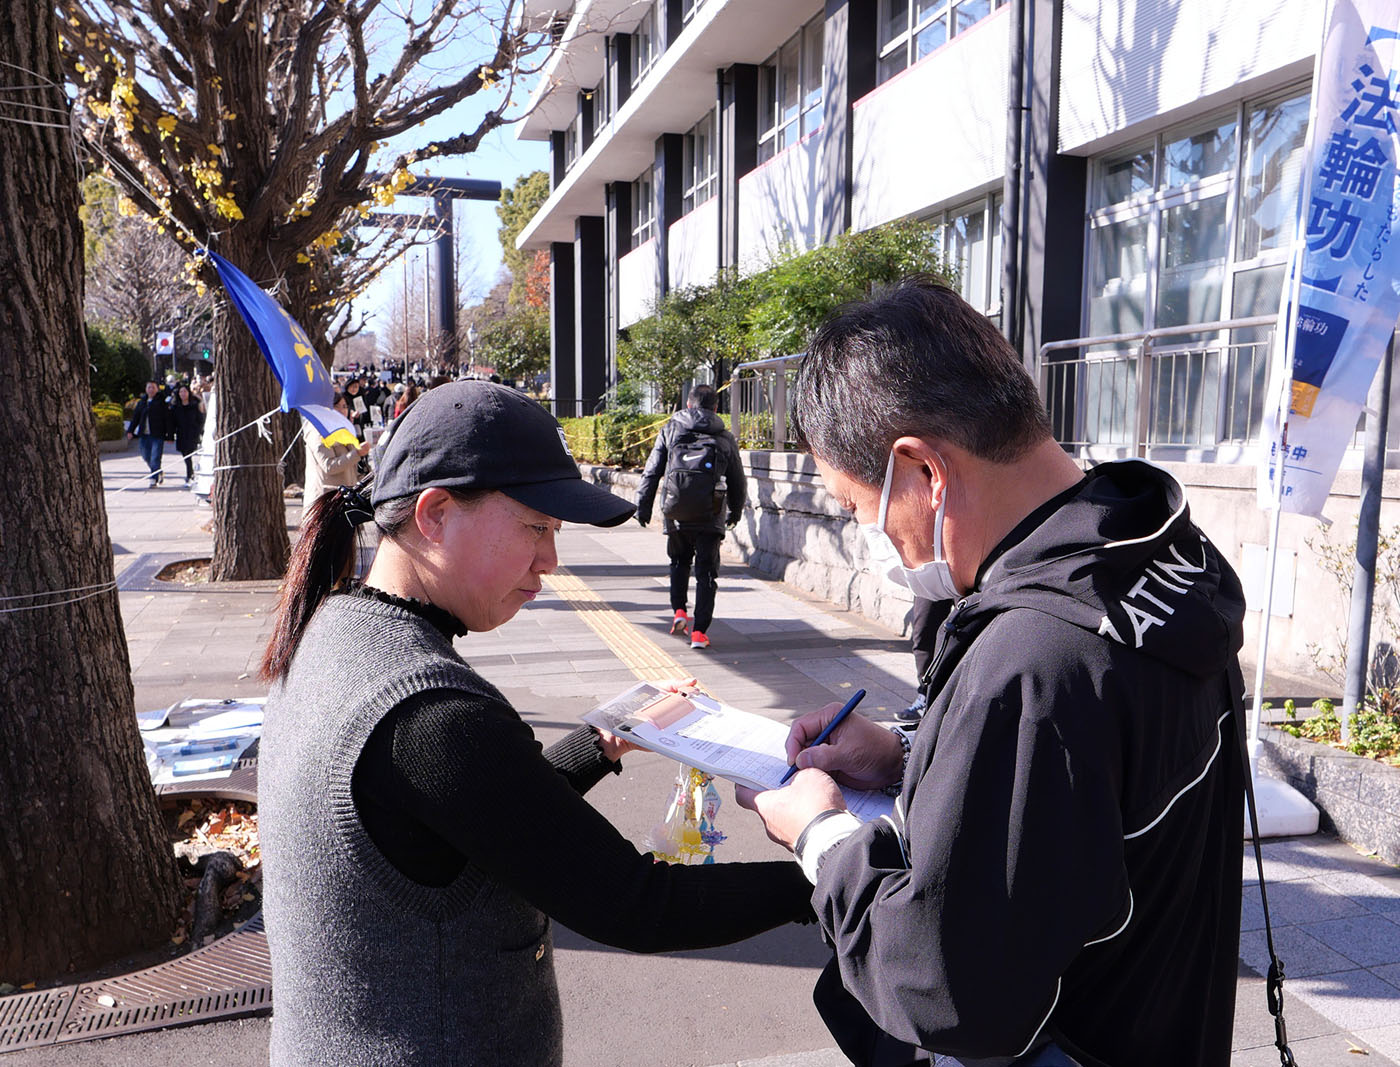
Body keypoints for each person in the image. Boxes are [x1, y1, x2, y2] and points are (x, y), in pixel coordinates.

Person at [735, 278, 1249, 1067]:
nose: (872, 532)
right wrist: (912, 754)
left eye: (857, 505)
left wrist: (820, 835)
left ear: (923, 472)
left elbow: (944, 988)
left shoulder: (1031, 662)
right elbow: (1094, 781)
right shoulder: (1154, 549)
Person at [257, 380, 814, 1067]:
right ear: (435, 514)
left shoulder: (331, 632)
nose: (550, 561)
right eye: (537, 528)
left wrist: (600, 743)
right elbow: (636, 903)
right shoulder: (431, 713)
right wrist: (825, 876)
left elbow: (479, 817)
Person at [634, 383, 747, 650]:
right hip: (711, 513)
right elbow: (737, 480)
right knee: (706, 573)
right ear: (716, 408)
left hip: (676, 511)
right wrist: (735, 510)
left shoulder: (671, 429)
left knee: (678, 562)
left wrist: (643, 506)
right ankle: (699, 633)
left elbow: (652, 470)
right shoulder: (725, 436)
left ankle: (679, 613)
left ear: (688, 404)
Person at [300, 392, 369, 508]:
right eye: (336, 406)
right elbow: (329, 466)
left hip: (345, 499)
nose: (342, 411)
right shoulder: (318, 431)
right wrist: (357, 453)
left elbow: (353, 469)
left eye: (345, 406)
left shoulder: (343, 430)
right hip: (325, 502)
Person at [127, 379, 170, 487]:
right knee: (146, 456)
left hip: (157, 434)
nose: (151, 389)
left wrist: (169, 435)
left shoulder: (161, 402)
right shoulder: (142, 402)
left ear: (157, 389)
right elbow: (136, 418)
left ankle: (154, 478)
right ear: (146, 389)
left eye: (153, 387)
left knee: (155, 457)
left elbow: (167, 419)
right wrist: (130, 431)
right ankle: (158, 471)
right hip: (144, 434)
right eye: (149, 387)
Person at [169, 383, 205, 487]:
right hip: (181, 435)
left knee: (188, 455)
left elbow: (200, 420)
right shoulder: (175, 407)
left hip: (192, 435)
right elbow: (172, 423)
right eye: (181, 392)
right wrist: (170, 436)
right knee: (185, 456)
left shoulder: (194, 405)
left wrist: (198, 432)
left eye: (185, 391)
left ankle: (189, 476)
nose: (183, 394)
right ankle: (191, 474)